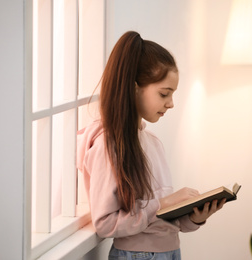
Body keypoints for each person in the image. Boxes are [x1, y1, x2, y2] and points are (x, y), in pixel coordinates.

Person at [76, 31, 226, 260]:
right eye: (164, 93)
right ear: (135, 88)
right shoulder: (108, 147)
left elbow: (158, 218)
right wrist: (163, 203)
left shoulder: (153, 143)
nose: (171, 103)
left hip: (169, 251)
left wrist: (194, 216)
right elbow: (105, 224)